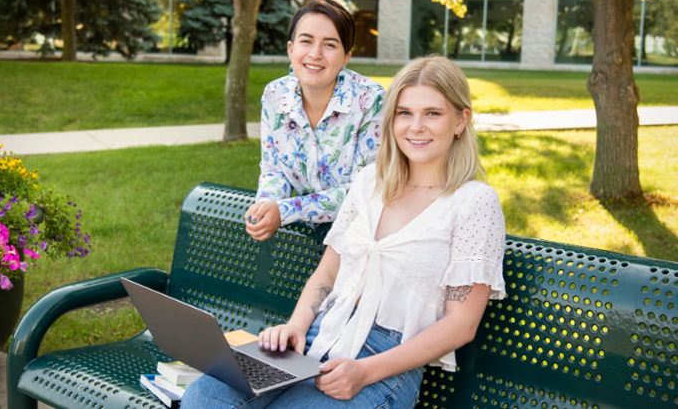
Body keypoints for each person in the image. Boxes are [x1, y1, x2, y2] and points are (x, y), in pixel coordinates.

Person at [181, 56, 506, 409]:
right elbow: (329, 271)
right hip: (320, 334)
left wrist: (365, 371)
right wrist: (295, 327)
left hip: (385, 359)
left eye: (432, 113)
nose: (416, 127)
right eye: (403, 113)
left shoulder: (474, 202)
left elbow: (461, 325)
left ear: (461, 120)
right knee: (204, 396)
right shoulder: (369, 183)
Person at [244, 0, 385, 242]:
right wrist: (266, 206)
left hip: (358, 237)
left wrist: (286, 210)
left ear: (345, 57)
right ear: (291, 49)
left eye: (329, 45)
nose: (315, 54)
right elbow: (274, 169)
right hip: (298, 237)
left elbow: (364, 190)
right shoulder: (274, 95)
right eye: (306, 41)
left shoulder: (370, 101)